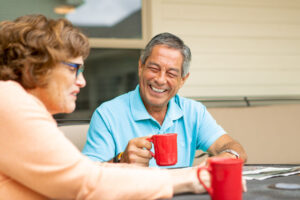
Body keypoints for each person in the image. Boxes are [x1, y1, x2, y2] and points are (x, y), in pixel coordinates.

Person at [0, 15, 209, 199]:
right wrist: (187, 179)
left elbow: (85, 171)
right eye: (74, 69)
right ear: (33, 68)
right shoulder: (9, 100)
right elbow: (86, 183)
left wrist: (179, 174)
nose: (82, 82)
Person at [82, 32, 248, 168]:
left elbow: (234, 148)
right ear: (140, 67)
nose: (160, 80)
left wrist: (228, 156)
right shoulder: (107, 115)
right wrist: (121, 160)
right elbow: (85, 177)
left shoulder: (194, 112)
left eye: (171, 74)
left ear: (183, 80)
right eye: (154, 69)